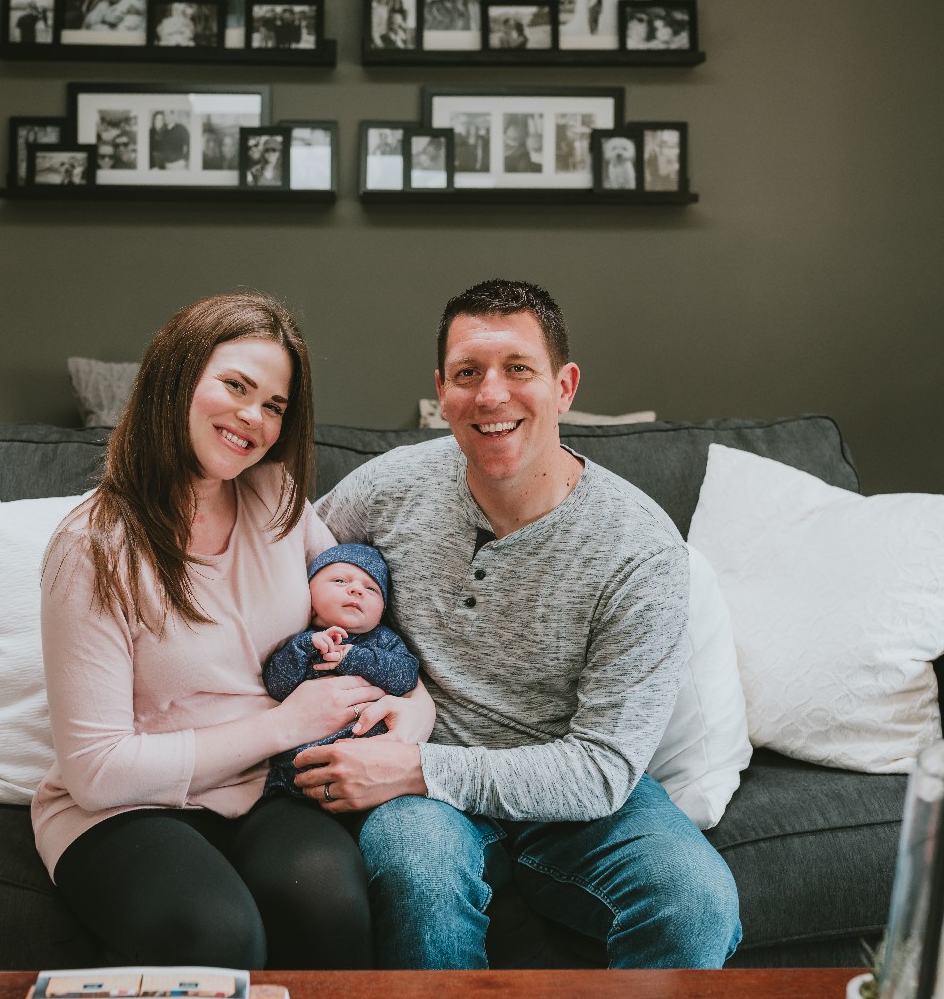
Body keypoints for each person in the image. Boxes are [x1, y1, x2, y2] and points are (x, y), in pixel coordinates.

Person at [300, 279, 742, 970]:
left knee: (695, 900)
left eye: (518, 370)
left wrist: (420, 767)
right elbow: (281, 568)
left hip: (556, 788)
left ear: (564, 387)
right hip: (425, 796)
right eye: (468, 373)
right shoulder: (387, 488)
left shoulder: (640, 549)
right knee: (416, 872)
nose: (491, 395)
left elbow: (602, 771)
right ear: (441, 390)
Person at [33, 291, 434, 969]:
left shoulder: (276, 499)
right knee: (219, 933)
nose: (253, 417)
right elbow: (97, 772)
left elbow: (368, 629)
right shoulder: (92, 546)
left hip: (266, 788)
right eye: (236, 386)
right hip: (126, 807)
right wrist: (286, 725)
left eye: (274, 405)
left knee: (328, 900)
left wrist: (411, 716)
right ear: (177, 377)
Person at [262, 543, 420, 798]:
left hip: (373, 768)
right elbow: (277, 686)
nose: (356, 589)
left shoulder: (383, 640)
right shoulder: (302, 641)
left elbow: (406, 676)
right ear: (309, 593)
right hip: (299, 770)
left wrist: (353, 657)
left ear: (381, 612)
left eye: (371, 589)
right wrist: (305, 648)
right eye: (339, 580)